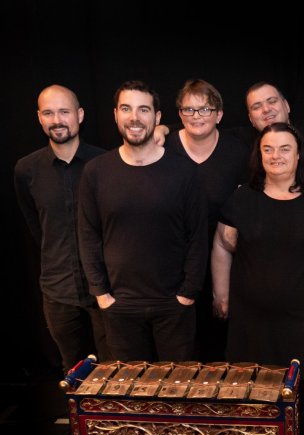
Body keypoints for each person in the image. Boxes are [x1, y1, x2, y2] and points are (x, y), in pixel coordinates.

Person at [78, 80, 207, 362]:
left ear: (157, 117)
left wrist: (187, 293)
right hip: (120, 306)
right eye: (126, 109)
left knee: (177, 386)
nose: (134, 117)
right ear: (115, 115)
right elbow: (88, 235)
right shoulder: (96, 172)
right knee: (130, 387)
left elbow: (198, 236)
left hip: (173, 306)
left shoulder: (184, 172)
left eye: (143, 109)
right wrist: (102, 294)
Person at [211, 122, 304, 376]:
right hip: (250, 321)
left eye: (285, 149)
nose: (276, 156)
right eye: (268, 149)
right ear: (259, 155)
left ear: (299, 155)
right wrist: (221, 294)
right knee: (253, 390)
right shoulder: (242, 198)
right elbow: (222, 244)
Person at [14, 84, 110, 372]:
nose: (57, 120)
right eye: (49, 113)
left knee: (114, 367)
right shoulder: (26, 169)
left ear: (79, 115)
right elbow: (35, 226)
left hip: (105, 287)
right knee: (72, 369)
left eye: (64, 112)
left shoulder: (106, 163)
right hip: (57, 290)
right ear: (39, 118)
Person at [165, 79, 248, 361]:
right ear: (180, 114)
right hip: (174, 260)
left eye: (205, 109)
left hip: (223, 258)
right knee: (181, 340)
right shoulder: (163, 146)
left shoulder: (237, 152)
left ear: (219, 114)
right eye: (189, 109)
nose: (196, 116)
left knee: (219, 333)